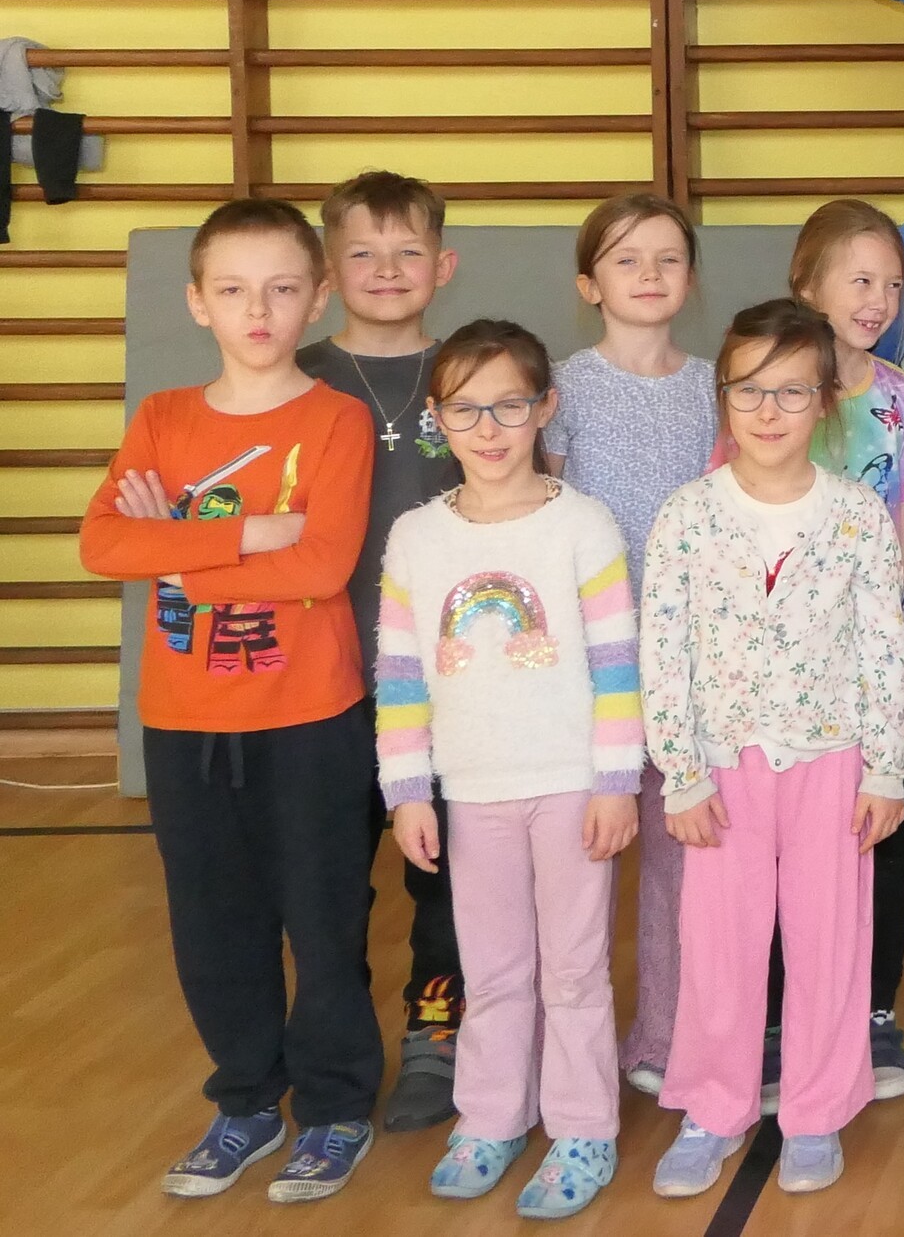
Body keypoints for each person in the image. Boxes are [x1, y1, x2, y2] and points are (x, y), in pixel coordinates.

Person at [80, 199, 382, 1203]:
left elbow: (324, 564)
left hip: (309, 718)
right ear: (198, 302)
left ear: (318, 297)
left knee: (323, 922)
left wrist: (176, 553)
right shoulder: (164, 418)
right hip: (183, 721)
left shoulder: (336, 418)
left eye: (282, 288)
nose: (259, 309)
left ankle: (336, 1107)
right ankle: (248, 1100)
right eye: (234, 289)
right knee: (213, 925)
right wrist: (252, 536)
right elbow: (104, 544)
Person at [640, 300, 904, 1199]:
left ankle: (816, 1109)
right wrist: (681, 775)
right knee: (719, 946)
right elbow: (663, 652)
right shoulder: (686, 516)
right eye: (749, 390)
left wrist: (886, 768)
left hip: (833, 763)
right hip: (723, 768)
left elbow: (884, 646)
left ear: (825, 401)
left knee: (829, 941)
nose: (769, 411)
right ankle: (715, 1107)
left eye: (792, 391)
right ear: (722, 397)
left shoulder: (857, 516)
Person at [375, 320, 642, 1218]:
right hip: (471, 793)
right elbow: (400, 677)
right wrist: (408, 793)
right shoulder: (416, 537)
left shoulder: (583, 524)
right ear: (437, 417)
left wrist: (616, 782)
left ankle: (583, 1127)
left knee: (572, 970)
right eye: (465, 410)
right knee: (490, 971)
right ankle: (490, 1116)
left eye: (509, 407)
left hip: (571, 789)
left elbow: (617, 666)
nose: (487, 429)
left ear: (545, 408)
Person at [296, 169, 469, 1133]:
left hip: (449, 689)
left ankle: (436, 1032)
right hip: (320, 684)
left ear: (443, 265)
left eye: (409, 251)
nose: (388, 269)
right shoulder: (296, 375)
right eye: (363, 252)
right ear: (328, 271)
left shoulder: (473, 376)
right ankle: (338, 1046)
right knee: (327, 882)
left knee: (443, 875)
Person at [540, 192, 720, 1097]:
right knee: (580, 862)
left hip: (696, 665)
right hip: (590, 666)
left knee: (681, 862)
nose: (648, 275)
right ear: (589, 284)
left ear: (691, 278)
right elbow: (540, 515)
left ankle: (667, 1036)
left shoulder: (718, 387)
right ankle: (564, 1050)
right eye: (625, 260)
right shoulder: (562, 388)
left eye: (667, 259)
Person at [786, 199, 904, 1100]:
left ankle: (875, 1011)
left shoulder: (901, 399)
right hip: (781, 673)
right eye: (859, 280)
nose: (878, 300)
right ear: (808, 285)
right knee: (792, 846)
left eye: (892, 284)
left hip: (877, 664)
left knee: (885, 836)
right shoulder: (767, 392)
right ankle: (788, 1017)